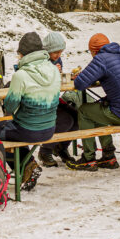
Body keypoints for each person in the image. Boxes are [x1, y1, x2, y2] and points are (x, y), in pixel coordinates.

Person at [0, 32, 66, 191]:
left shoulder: (20, 75)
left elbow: (9, 107)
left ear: (23, 54)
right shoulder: (54, 70)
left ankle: (10, 173)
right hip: (50, 129)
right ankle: (27, 167)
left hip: (27, 130)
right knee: (10, 131)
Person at [64, 33, 120, 171]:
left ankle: (88, 158)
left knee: (84, 111)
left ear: (94, 51)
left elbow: (80, 84)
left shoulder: (101, 59)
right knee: (98, 109)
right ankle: (108, 156)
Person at [37, 31, 78, 167]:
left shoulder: (57, 60)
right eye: (56, 52)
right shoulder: (38, 61)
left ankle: (61, 147)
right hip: (40, 102)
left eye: (60, 52)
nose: (58, 55)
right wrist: (52, 72)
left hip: (54, 98)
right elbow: (37, 84)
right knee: (65, 120)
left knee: (77, 116)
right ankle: (45, 150)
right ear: (47, 51)